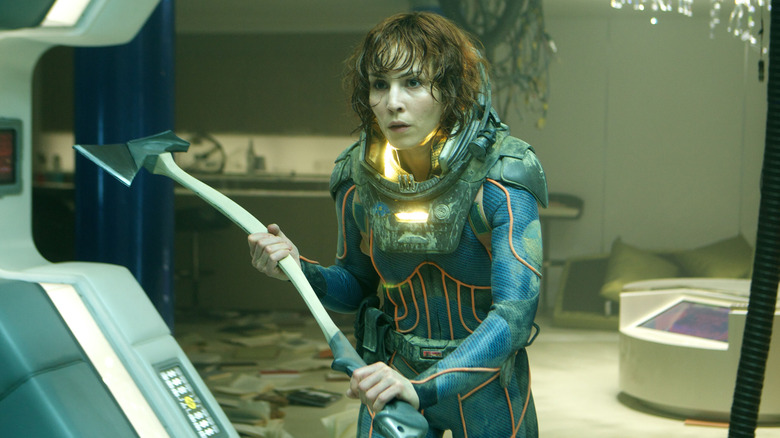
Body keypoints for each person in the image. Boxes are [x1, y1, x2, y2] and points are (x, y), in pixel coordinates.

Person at [248, 11, 547, 438]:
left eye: (413, 82)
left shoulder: (502, 175)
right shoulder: (357, 179)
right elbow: (356, 286)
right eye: (379, 84)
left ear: (452, 89)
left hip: (484, 389)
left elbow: (515, 317)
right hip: (392, 373)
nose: (392, 102)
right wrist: (298, 270)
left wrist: (422, 388)